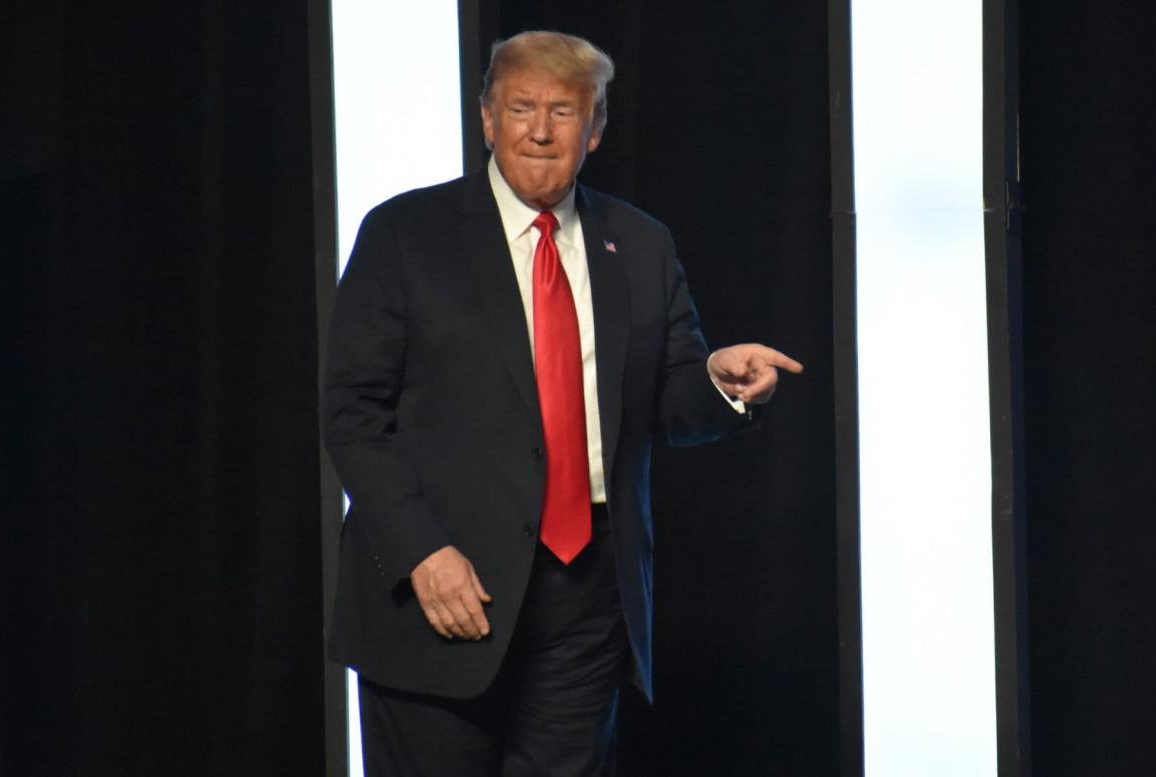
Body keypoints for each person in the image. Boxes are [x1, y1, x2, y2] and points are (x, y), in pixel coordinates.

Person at [321, 29, 803, 777]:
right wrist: (420, 551)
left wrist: (716, 381)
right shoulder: (404, 234)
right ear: (486, 119)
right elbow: (352, 413)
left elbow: (668, 400)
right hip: (443, 591)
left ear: (597, 128)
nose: (540, 130)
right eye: (520, 108)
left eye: (563, 111)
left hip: (587, 597)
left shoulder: (640, 245)